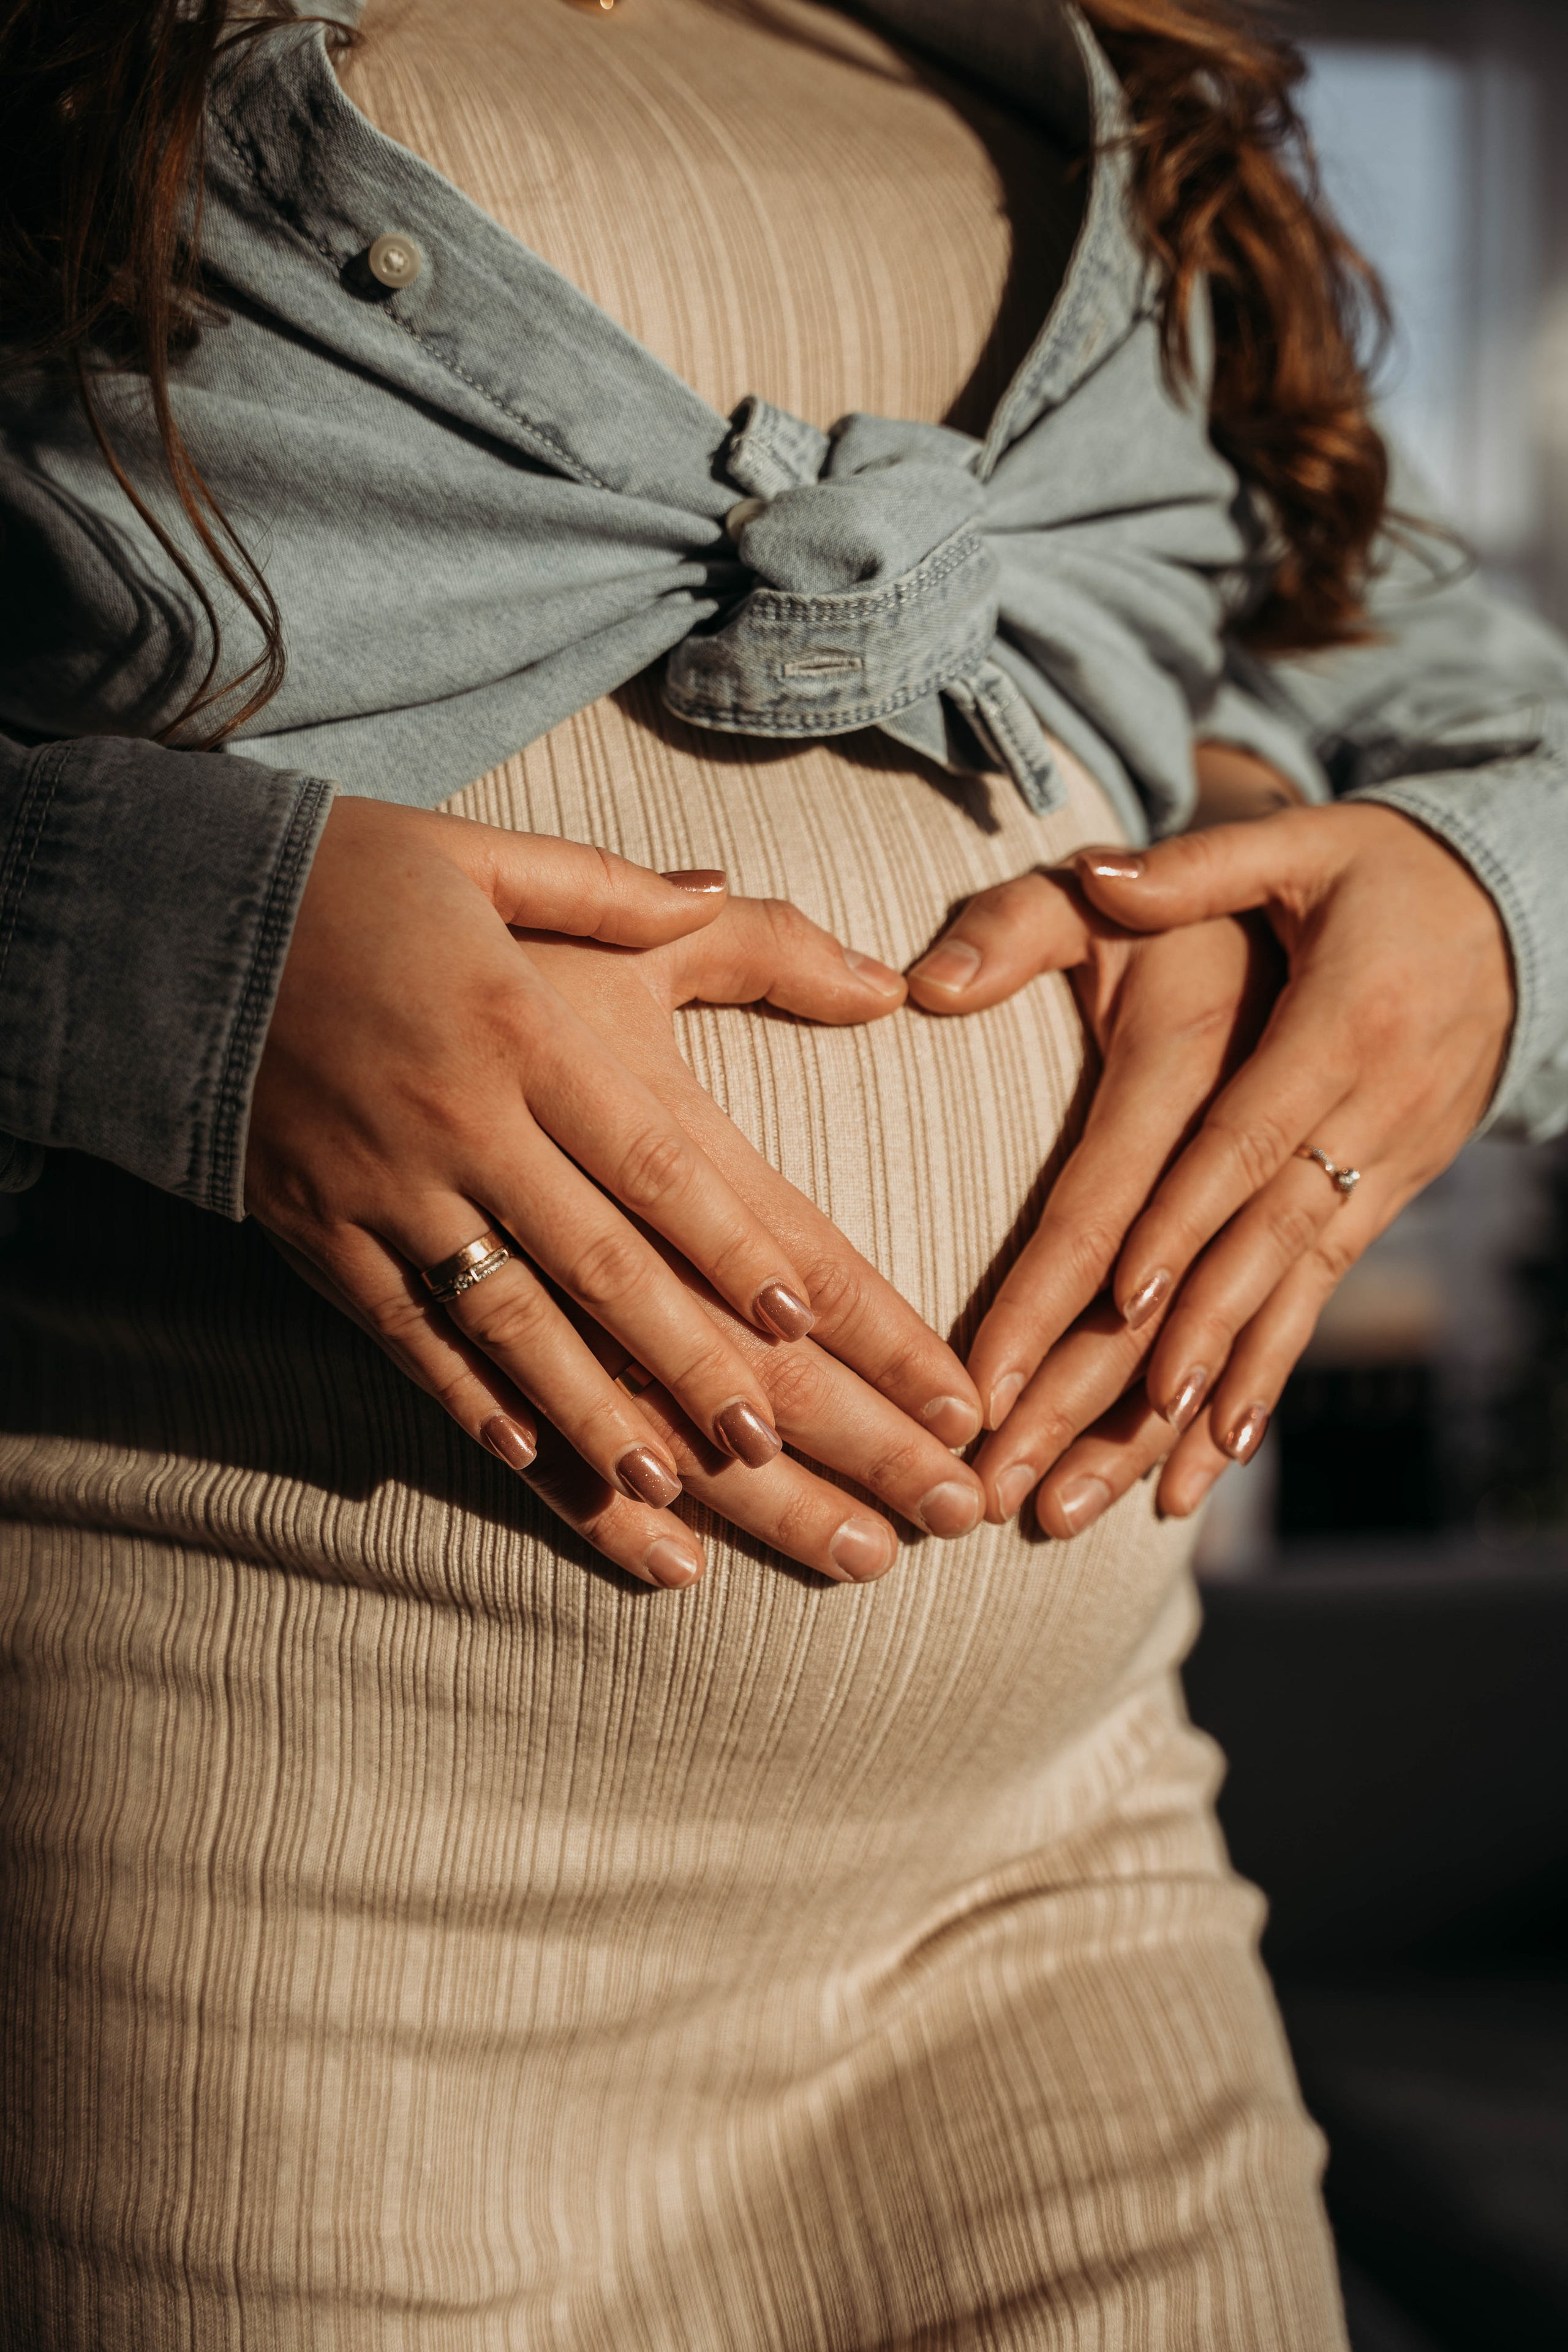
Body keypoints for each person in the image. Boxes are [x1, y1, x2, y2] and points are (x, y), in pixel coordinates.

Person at [0, 0, 1559, 2342]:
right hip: (283, 1894)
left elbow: (1487, 714)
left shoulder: (1108, 108)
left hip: (1064, 1864)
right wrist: (154, 939)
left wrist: (1484, 909)